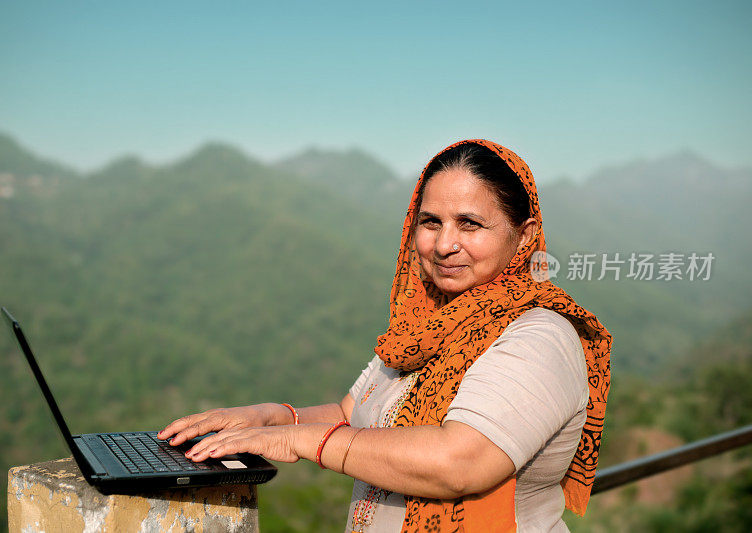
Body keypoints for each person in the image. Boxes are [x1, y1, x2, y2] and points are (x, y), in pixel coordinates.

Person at [158, 139, 612, 532]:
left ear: (523, 234)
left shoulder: (538, 336)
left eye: (470, 224)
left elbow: (461, 461)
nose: (443, 244)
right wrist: (271, 418)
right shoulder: (423, 327)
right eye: (431, 222)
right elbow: (351, 413)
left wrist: (298, 442)